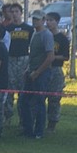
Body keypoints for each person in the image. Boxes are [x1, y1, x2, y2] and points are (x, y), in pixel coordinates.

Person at [18, 10, 54, 140]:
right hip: (31, 71)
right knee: (24, 101)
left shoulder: (46, 35)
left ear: (43, 20)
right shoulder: (34, 33)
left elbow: (50, 57)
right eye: (33, 19)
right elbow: (33, 55)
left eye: (37, 19)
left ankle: (39, 131)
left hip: (42, 73)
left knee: (39, 102)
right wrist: (28, 69)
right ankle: (28, 129)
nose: (35, 21)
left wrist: (38, 72)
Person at [44, 10, 70, 132]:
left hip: (55, 69)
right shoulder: (43, 35)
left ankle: (52, 123)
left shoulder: (62, 38)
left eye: (51, 20)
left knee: (54, 98)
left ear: (57, 22)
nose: (48, 23)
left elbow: (66, 56)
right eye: (47, 20)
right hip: (43, 68)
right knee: (40, 97)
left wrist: (54, 57)